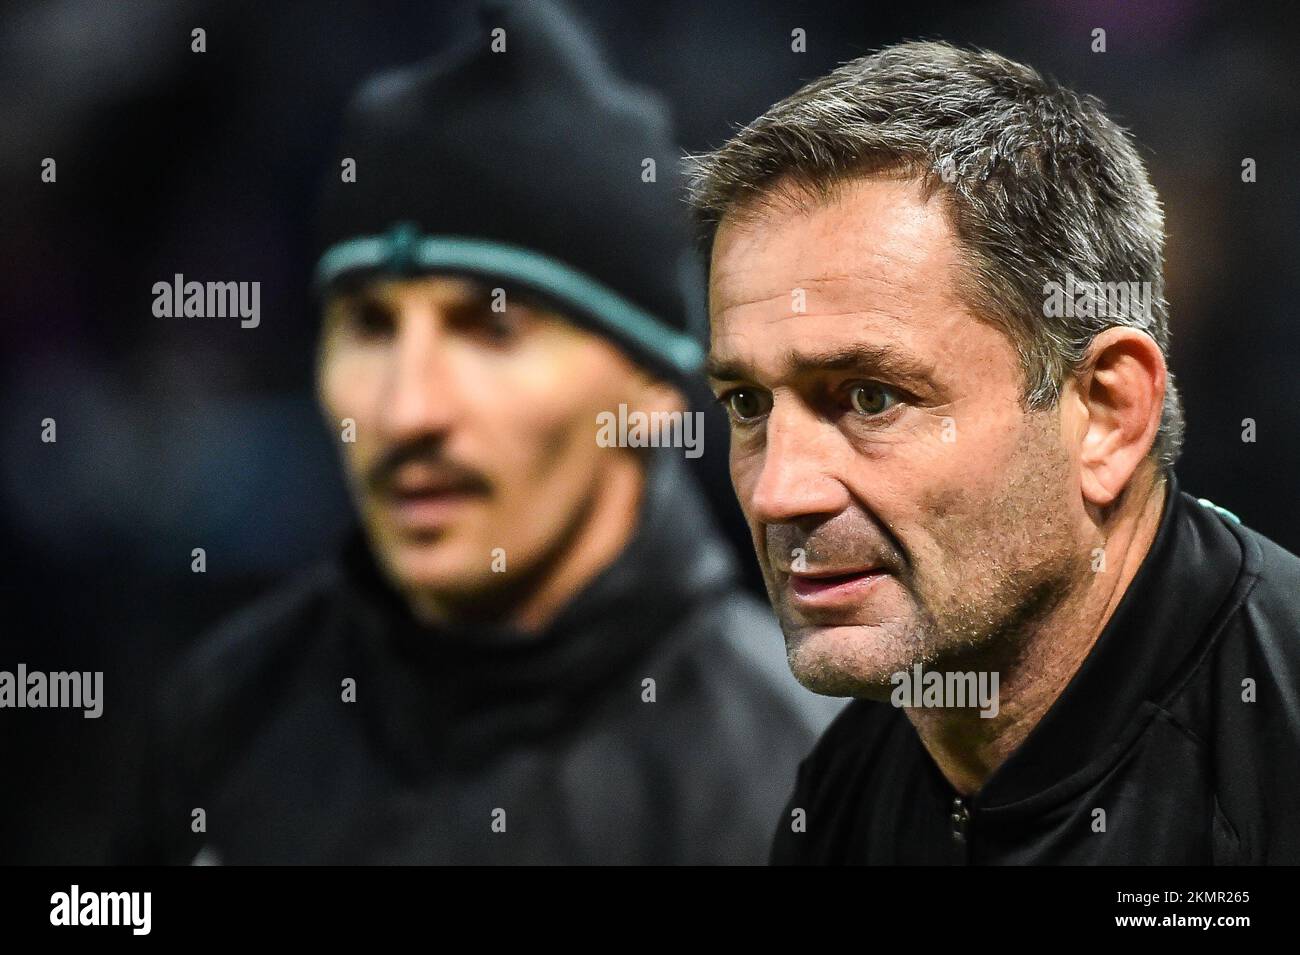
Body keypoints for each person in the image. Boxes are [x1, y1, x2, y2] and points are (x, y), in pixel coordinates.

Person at [113, 0, 840, 865]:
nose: (407, 410)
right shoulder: (222, 709)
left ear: (653, 387)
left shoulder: (808, 781)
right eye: (372, 325)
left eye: (491, 330)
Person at [686, 40, 1300, 864]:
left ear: (1109, 414)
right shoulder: (843, 788)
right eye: (749, 405)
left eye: (871, 396)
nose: (778, 493)